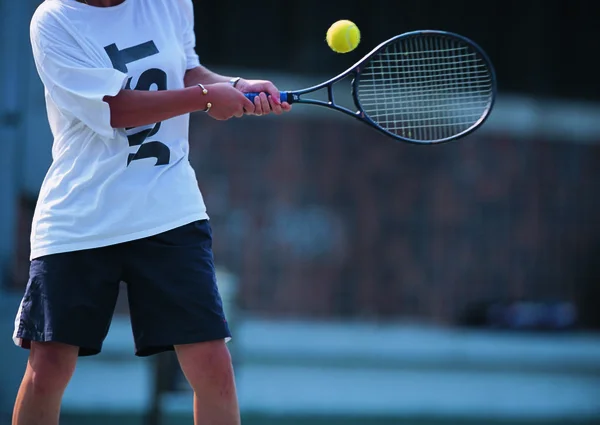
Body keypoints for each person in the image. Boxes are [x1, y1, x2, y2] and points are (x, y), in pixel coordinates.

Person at [11, 0, 291, 424]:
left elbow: (186, 68)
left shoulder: (171, 2)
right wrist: (204, 98)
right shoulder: (54, 20)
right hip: (80, 217)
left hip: (169, 209)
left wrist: (234, 84)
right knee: (48, 367)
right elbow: (114, 107)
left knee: (213, 364)